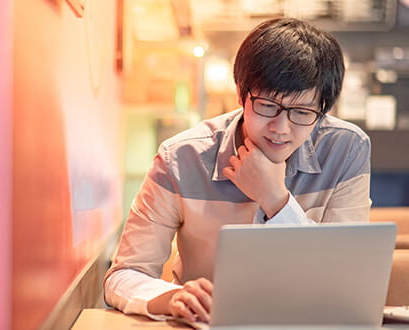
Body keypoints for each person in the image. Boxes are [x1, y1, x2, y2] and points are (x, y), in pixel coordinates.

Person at [104, 17, 371, 324]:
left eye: (301, 112)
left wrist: (275, 199)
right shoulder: (181, 158)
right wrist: (170, 297)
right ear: (241, 94)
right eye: (268, 106)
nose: (280, 129)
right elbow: (123, 274)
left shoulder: (346, 149)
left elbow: (347, 279)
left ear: (323, 109)